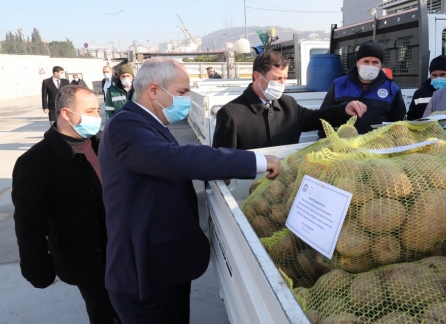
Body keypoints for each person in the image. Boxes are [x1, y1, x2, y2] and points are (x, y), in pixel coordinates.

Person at [98, 57, 283, 323]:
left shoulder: (147, 123)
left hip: (163, 268)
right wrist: (256, 161)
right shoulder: (125, 126)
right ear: (153, 91)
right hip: (144, 276)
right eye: (182, 92)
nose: (186, 99)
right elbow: (179, 159)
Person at [12, 85, 120, 324]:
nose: (97, 117)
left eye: (98, 111)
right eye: (90, 111)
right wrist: (39, 271)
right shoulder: (34, 163)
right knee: (105, 313)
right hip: (87, 263)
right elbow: (29, 226)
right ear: (66, 114)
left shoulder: (104, 145)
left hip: (123, 251)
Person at [212, 50, 367, 150]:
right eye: (277, 78)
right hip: (247, 190)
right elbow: (223, 161)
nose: (282, 84)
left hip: (284, 185)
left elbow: (315, 118)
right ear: (257, 77)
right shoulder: (231, 114)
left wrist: (343, 110)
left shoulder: (288, 104)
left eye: (285, 78)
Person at [318, 41, 406, 137]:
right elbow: (325, 116)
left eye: (375, 62)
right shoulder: (339, 84)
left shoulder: (392, 90)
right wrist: (323, 140)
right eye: (366, 61)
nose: (370, 66)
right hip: (342, 146)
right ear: (357, 63)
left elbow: (398, 124)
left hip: (375, 147)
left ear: (381, 65)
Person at [406, 55, 446, 120]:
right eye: (434, 75)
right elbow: (411, 118)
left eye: (443, 74)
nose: (438, 78)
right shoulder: (420, 94)